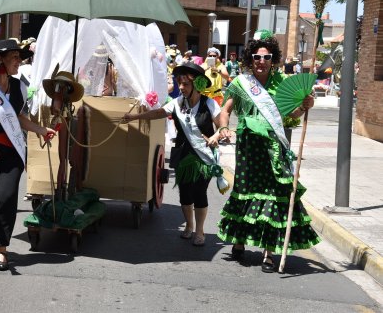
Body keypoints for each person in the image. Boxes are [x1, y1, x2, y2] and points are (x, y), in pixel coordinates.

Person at [216, 30, 319, 273]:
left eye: (267, 57)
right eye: (257, 57)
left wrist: (304, 107)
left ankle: (269, 253)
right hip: (249, 149)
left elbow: (289, 117)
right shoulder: (241, 83)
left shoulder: (282, 84)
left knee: (275, 196)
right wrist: (223, 127)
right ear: (250, 59)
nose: (261, 61)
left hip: (274, 149)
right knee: (245, 192)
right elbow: (225, 109)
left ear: (274, 60)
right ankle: (239, 241)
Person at [0, 39, 56, 271]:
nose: (19, 61)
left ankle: (2, 248)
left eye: (19, 57)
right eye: (14, 57)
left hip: (12, 152)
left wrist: (41, 130)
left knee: (6, 197)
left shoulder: (20, 88)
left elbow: (19, 118)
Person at [123, 62, 222, 247]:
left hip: (204, 157)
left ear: (197, 85)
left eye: (185, 84)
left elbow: (221, 122)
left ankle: (199, 231)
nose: (181, 88)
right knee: (185, 193)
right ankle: (189, 226)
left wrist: (217, 134)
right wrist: (135, 117)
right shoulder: (177, 103)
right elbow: (159, 113)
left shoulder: (209, 104)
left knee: (199, 192)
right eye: (179, 84)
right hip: (184, 154)